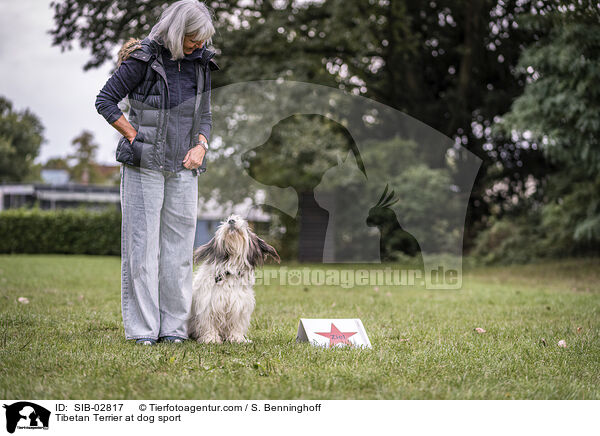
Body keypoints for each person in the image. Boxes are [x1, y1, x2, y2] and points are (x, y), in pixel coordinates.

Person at [95, 0, 219, 345]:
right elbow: (105, 100)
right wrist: (134, 135)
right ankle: (143, 331)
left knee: (179, 253)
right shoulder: (143, 58)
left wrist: (202, 145)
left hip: (184, 166)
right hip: (143, 166)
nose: (198, 45)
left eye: (202, 39)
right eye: (193, 38)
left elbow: (205, 115)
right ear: (178, 33)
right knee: (142, 249)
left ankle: (174, 330)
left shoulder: (202, 63)